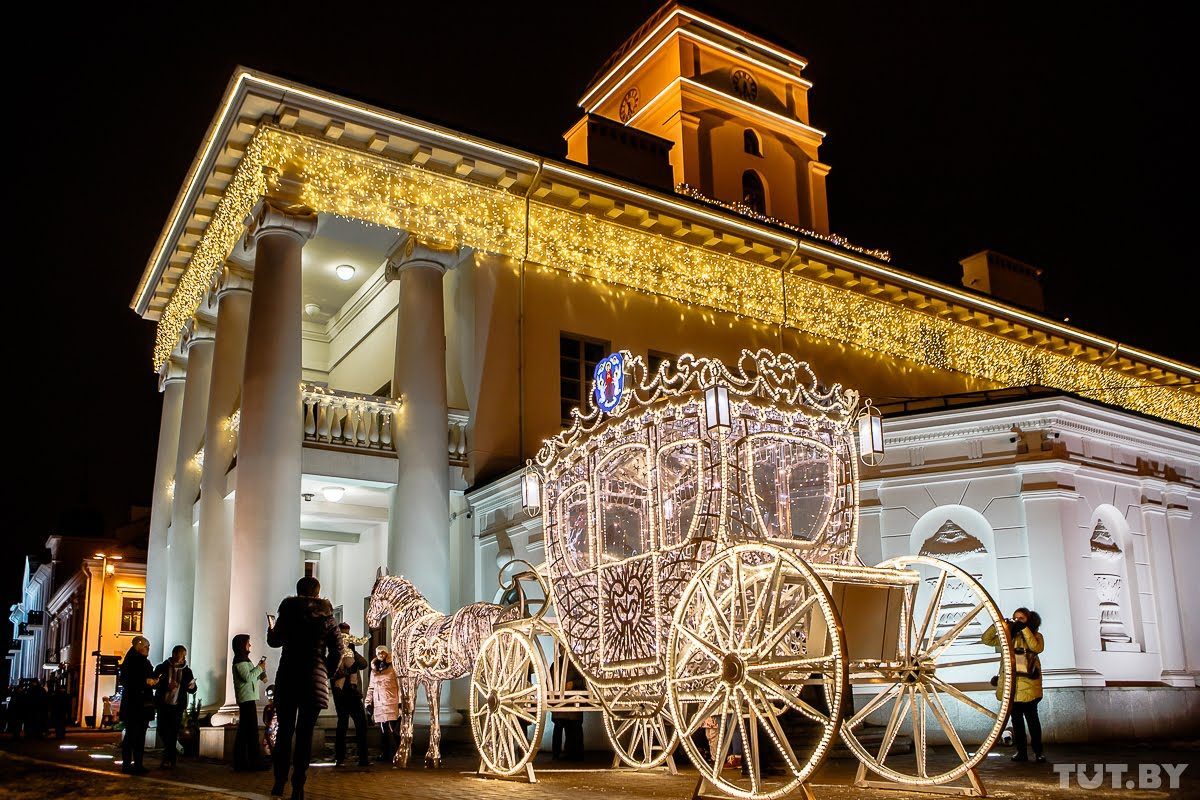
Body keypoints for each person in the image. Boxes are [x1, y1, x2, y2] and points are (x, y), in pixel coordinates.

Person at [267, 576, 347, 800]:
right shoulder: (327, 618)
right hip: (313, 679)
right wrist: (326, 671)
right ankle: (298, 786)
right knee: (305, 734)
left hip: (289, 676)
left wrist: (270, 628)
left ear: (298, 591)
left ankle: (279, 781)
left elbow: (274, 641)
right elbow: (338, 651)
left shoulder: (288, 614)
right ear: (317, 593)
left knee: (284, 733)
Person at [983, 607, 1045, 763]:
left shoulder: (1036, 636)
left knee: (1033, 722)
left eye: (1021, 619)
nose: (1017, 621)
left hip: (1029, 688)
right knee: (1017, 724)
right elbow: (986, 640)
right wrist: (999, 624)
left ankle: (1038, 752)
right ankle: (1021, 753)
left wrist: (1024, 629)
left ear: (1029, 620)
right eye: (1015, 618)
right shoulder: (1008, 637)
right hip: (1011, 689)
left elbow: (1037, 647)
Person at [328, 623, 369, 767]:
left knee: (357, 726)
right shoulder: (336, 654)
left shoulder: (348, 654)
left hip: (351, 694)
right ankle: (341, 757)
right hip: (346, 695)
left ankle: (361, 758)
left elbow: (364, 664)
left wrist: (353, 652)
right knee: (347, 725)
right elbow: (332, 671)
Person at [118, 636, 159, 775]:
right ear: (139, 646)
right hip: (134, 704)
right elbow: (127, 680)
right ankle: (129, 764)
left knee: (139, 735)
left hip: (142, 704)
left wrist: (155, 680)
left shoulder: (143, 661)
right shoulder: (131, 662)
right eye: (146, 647)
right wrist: (146, 681)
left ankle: (137, 764)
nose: (148, 649)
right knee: (132, 735)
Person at [153, 645, 197, 767]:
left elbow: (193, 689)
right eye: (180, 656)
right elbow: (153, 683)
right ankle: (170, 755)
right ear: (174, 655)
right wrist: (166, 686)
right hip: (163, 704)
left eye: (183, 657)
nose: (182, 659)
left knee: (172, 732)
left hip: (178, 706)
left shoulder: (187, 671)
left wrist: (191, 686)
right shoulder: (162, 667)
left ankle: (170, 759)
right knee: (162, 730)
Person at [231, 634, 269, 771]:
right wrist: (259, 668)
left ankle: (243, 762)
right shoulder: (240, 660)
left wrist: (260, 671)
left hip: (249, 697)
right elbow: (247, 677)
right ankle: (253, 762)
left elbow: (251, 676)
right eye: (248, 643)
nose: (250, 645)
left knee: (246, 731)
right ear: (242, 645)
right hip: (246, 699)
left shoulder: (244, 659)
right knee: (250, 732)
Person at [365, 645, 400, 763]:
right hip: (379, 703)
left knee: (394, 730)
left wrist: (400, 703)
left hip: (392, 702)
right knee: (384, 731)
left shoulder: (393, 667)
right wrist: (368, 703)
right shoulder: (374, 669)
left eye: (382, 652)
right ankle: (386, 754)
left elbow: (400, 685)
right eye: (378, 652)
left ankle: (399, 752)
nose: (380, 654)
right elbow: (371, 687)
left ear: (387, 653)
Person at [551, 660, 584, 761]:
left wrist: (574, 684)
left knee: (573, 728)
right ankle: (560, 754)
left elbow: (584, 680)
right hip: (561, 703)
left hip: (572, 702)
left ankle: (573, 754)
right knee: (561, 728)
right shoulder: (556, 664)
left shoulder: (576, 664)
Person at [262, 685, 278, 757]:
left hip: (271, 731)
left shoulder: (268, 708)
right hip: (271, 731)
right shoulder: (271, 708)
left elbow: (264, 720)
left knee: (268, 744)